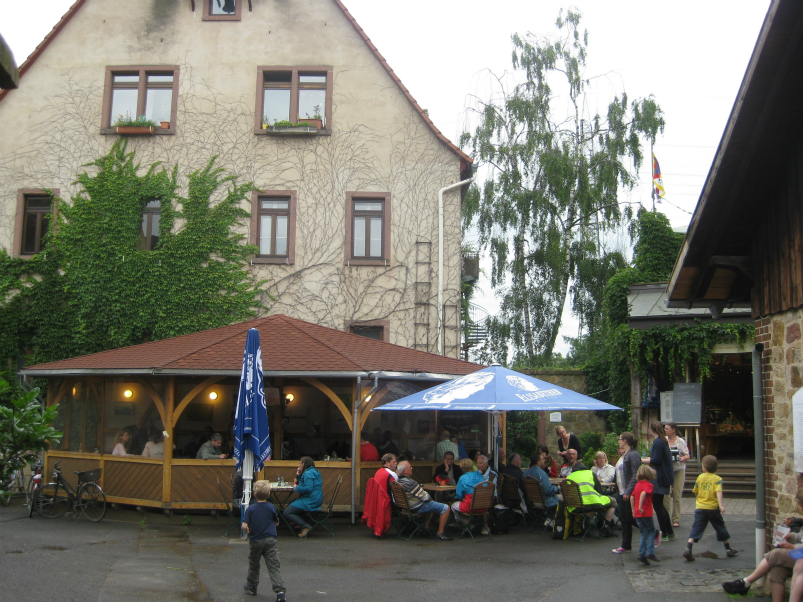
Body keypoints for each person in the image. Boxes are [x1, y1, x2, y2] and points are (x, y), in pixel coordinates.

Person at [722, 488, 803, 599]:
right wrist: (791, 536)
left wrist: (793, 547)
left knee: (776, 554)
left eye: (801, 506)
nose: (801, 509)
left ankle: (745, 582)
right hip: (800, 552)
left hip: (801, 553)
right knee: (777, 570)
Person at [683, 454, 737, 561]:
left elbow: (696, 492)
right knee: (720, 527)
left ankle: (688, 548)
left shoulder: (700, 477)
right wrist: (720, 505)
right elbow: (718, 492)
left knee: (697, 527)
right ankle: (728, 549)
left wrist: (700, 500)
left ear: (704, 466)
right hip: (713, 508)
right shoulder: (717, 479)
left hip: (700, 508)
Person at [241, 480, 286, 601]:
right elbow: (276, 522)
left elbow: (244, 526)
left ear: (254, 495)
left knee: (254, 563)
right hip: (271, 539)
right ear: (269, 494)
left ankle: (252, 586)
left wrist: (246, 531)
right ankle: (280, 591)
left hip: (256, 540)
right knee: (273, 565)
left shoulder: (250, 509)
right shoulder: (271, 507)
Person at [396, 461, 452, 540]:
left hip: (407, 507)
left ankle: (426, 528)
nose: (412, 468)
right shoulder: (410, 482)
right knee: (446, 508)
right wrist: (431, 499)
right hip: (416, 507)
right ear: (404, 471)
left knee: (431, 504)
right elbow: (425, 497)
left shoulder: (397, 482)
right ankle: (440, 533)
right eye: (410, 467)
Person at [566, 462, 617, 537]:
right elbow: (599, 491)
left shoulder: (569, 477)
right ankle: (606, 527)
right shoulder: (590, 473)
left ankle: (584, 526)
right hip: (592, 505)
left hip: (575, 507)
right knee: (613, 501)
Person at [643, 421, 674, 541]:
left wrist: (642, 460)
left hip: (659, 477)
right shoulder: (663, 441)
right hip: (664, 476)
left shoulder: (658, 442)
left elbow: (656, 460)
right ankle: (669, 531)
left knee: (657, 505)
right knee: (660, 505)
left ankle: (664, 533)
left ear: (652, 431)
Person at [612, 431, 642, 555]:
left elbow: (636, 473)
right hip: (622, 490)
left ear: (625, 441)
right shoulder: (624, 455)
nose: (618, 441)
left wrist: (629, 491)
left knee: (629, 517)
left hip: (628, 492)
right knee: (625, 519)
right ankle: (626, 545)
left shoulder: (633, 455)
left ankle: (652, 532)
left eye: (620, 439)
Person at [282, 456, 323, 538]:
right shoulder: (311, 471)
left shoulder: (308, 473)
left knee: (287, 512)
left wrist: (296, 488)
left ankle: (305, 526)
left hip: (311, 499)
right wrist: (298, 475)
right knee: (291, 503)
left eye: (300, 463)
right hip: (315, 497)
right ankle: (298, 521)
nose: (299, 465)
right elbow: (303, 482)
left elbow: (308, 488)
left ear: (303, 464)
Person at [451, 458, 489, 536]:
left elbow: (459, 495)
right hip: (484, 505)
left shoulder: (462, 478)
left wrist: (463, 497)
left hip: (470, 506)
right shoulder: (480, 475)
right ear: (472, 466)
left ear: (461, 468)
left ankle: (467, 523)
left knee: (453, 506)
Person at [362, 454, 397, 537]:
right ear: (387, 462)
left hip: (377, 502)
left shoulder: (378, 471)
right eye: (394, 462)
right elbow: (398, 489)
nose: (396, 463)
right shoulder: (392, 474)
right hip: (387, 502)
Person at [664, 421, 690, 528]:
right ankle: (666, 517)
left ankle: (676, 519)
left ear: (673, 430)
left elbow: (687, 455)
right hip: (667, 470)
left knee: (677, 495)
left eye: (667, 428)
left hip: (678, 469)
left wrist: (682, 458)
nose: (665, 430)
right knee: (666, 495)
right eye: (664, 428)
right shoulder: (664, 440)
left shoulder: (680, 441)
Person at [632, 464, 659, 565]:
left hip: (637, 514)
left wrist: (633, 510)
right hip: (646, 512)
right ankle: (650, 552)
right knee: (651, 530)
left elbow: (632, 497)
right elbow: (644, 493)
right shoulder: (649, 485)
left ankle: (641, 554)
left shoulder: (637, 484)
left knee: (644, 533)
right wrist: (640, 506)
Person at [524, 451, 560, 526]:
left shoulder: (525, 474)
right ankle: (554, 521)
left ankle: (549, 519)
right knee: (563, 500)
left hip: (532, 500)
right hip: (544, 501)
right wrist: (557, 488)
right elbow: (548, 491)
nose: (544, 461)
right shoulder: (542, 474)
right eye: (542, 459)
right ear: (538, 462)